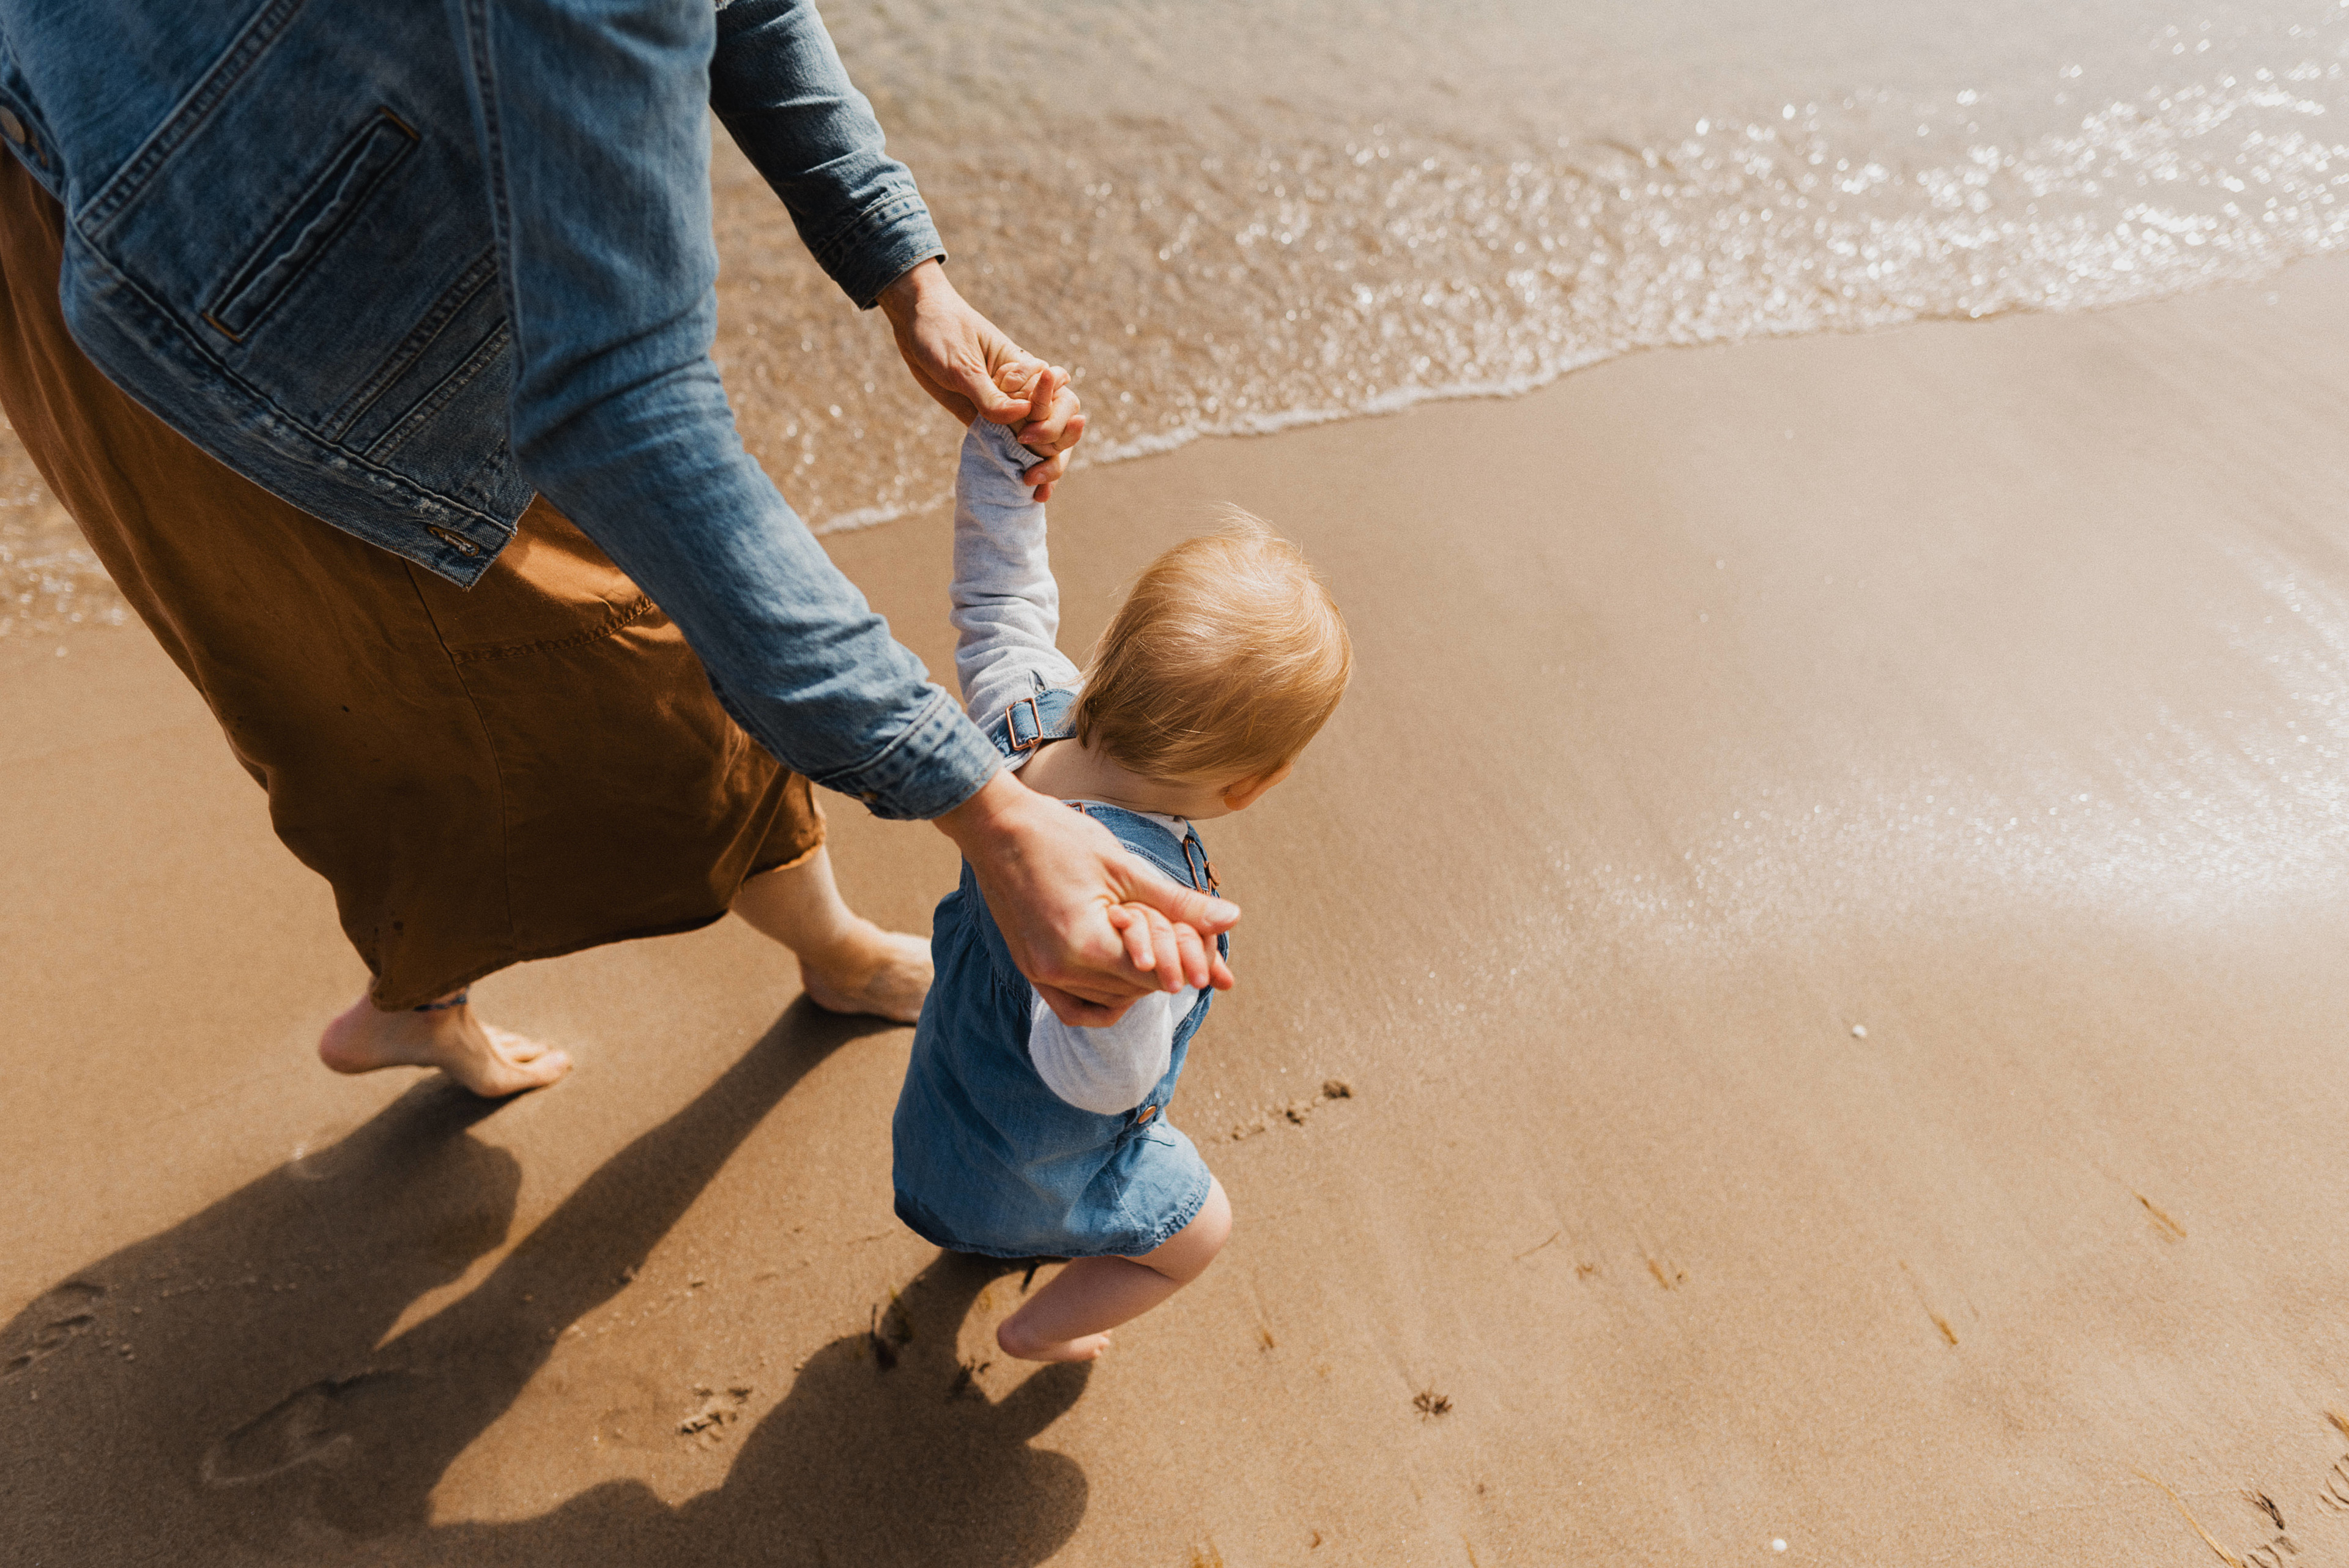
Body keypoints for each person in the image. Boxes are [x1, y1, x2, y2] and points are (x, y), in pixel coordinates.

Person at [0, 0, 1234, 1096]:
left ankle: (814, 950)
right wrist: (991, 818)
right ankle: (427, 1001)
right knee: (413, 692)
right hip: (139, 247)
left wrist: (906, 272)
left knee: (559, 677)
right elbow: (620, 402)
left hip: (249, 155)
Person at [891, 366, 1353, 1361]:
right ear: (1253, 787)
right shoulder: (1141, 925)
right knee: (1199, 1231)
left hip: (939, 1116)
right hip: (1028, 1181)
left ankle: (991, 1263)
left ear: (1109, 649)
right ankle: (1037, 1333)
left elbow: (998, 589)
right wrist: (1128, 990)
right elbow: (1097, 1088)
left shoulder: (1020, 709)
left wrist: (1003, 462)